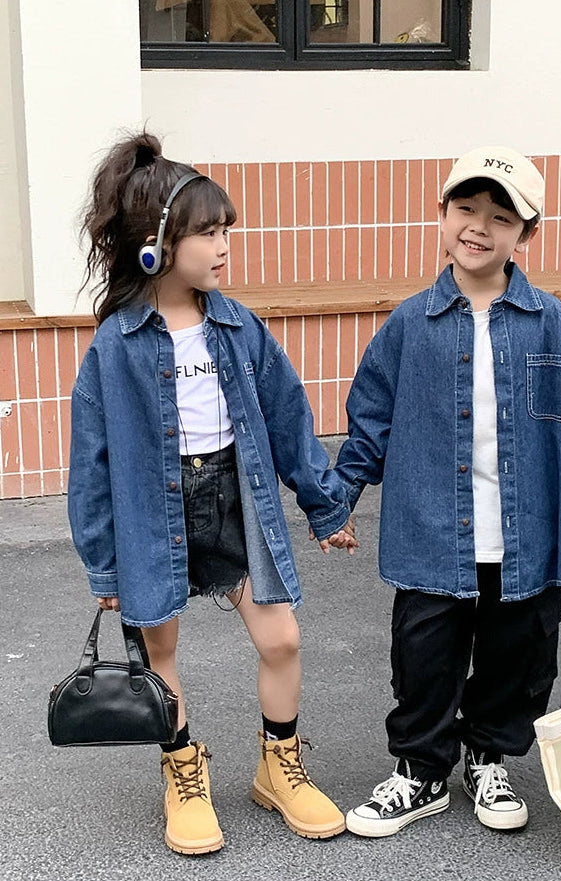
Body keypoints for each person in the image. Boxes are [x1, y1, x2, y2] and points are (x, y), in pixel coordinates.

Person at [68, 132, 357, 855]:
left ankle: (278, 765)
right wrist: (104, 567)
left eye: (226, 228)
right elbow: (92, 463)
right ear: (155, 242)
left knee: (281, 636)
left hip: (235, 498)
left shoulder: (236, 323)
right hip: (152, 508)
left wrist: (323, 504)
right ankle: (183, 770)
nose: (224, 244)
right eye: (208, 231)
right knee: (158, 651)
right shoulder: (116, 345)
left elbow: (288, 415)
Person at [331, 145, 561, 837]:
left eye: (500, 216)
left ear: (526, 233)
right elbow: (368, 420)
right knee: (423, 657)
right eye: (465, 208)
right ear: (441, 214)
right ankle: (420, 772)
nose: (478, 227)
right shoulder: (408, 323)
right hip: (431, 528)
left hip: (526, 533)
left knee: (514, 658)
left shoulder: (549, 321)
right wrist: (335, 501)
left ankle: (486, 755)